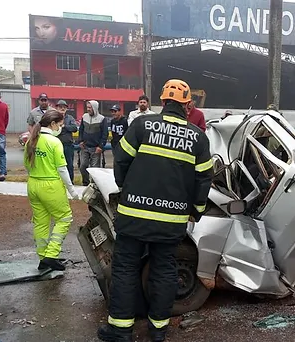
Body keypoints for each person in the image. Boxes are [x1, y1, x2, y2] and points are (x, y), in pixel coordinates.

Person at [97, 79, 213, 342]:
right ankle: (158, 329)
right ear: (186, 105)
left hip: (134, 216)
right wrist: (197, 210)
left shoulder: (141, 125)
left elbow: (121, 160)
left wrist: (126, 187)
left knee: (125, 268)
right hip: (171, 221)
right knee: (164, 270)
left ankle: (120, 330)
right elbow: (204, 178)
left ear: (162, 102)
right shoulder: (198, 137)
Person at [23, 110, 80, 271]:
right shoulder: (54, 142)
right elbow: (62, 169)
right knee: (64, 218)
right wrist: (72, 191)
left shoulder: (31, 140)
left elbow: (27, 165)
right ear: (53, 124)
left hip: (33, 184)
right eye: (60, 125)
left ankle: (43, 257)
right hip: (50, 186)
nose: (61, 128)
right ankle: (51, 255)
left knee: (41, 222)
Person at [78, 100, 108, 186]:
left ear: (95, 108)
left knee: (95, 170)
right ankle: (85, 183)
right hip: (85, 147)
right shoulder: (84, 116)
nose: (88, 109)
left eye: (90, 107)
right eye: (87, 107)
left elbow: (104, 134)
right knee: (83, 166)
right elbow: (81, 130)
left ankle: (94, 186)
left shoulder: (102, 119)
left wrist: (101, 146)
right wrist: (80, 141)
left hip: (96, 148)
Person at [56, 100, 78, 183]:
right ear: (57, 108)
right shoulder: (53, 118)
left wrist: (64, 126)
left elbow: (74, 128)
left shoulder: (70, 118)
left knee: (69, 164)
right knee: (57, 165)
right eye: (60, 107)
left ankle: (70, 182)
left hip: (68, 145)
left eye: (64, 107)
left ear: (66, 108)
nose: (62, 108)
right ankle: (58, 181)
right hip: (56, 146)